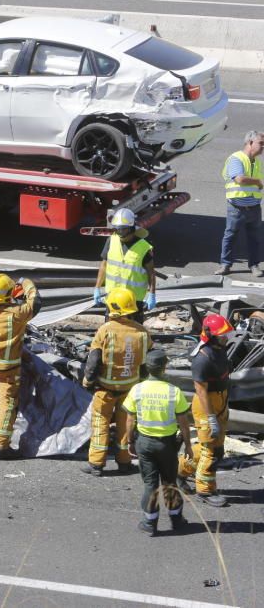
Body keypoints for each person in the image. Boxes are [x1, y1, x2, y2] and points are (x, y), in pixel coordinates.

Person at [123, 349, 194, 536]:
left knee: (149, 484)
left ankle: (150, 522)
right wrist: (188, 445)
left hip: (144, 444)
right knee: (170, 482)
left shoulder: (136, 390)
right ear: (164, 368)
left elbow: (130, 420)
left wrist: (130, 441)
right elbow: (184, 424)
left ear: (147, 367)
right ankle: (176, 520)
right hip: (168, 446)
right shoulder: (174, 392)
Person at [81, 288, 151, 476]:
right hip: (129, 390)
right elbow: (146, 363)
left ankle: (96, 464)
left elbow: (94, 361)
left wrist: (88, 381)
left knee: (100, 424)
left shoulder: (105, 330)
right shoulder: (142, 332)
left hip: (105, 389)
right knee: (125, 426)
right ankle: (125, 461)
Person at [0, 274, 40, 460]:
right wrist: (26, 282)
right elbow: (35, 303)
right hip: (6, 367)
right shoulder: (16, 314)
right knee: (8, 403)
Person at [176, 313, 235, 507]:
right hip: (206, 405)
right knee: (210, 450)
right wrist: (211, 418)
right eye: (222, 335)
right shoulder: (202, 359)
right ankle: (205, 491)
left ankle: (179, 470)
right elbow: (201, 391)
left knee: (216, 450)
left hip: (220, 401)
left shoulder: (220, 349)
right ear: (210, 335)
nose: (226, 337)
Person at [216, 130, 264, 277]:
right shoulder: (236, 158)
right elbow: (239, 179)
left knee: (255, 238)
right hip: (236, 208)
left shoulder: (256, 162)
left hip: (254, 207)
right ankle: (225, 264)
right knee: (230, 236)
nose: (263, 147)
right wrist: (258, 182)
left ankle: (254, 265)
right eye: (261, 143)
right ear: (250, 143)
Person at [94, 208, 156, 316]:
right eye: (118, 230)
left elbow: (151, 273)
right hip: (113, 297)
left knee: (132, 331)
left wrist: (152, 294)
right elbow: (104, 265)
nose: (120, 233)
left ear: (132, 228)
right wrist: (97, 287)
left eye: (123, 230)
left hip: (133, 301)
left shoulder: (143, 247)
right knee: (111, 330)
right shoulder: (111, 240)